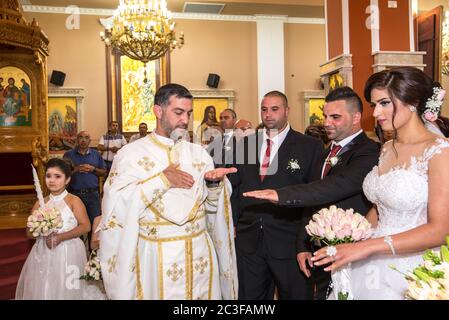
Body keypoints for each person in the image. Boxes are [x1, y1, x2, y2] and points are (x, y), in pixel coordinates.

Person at [312, 67, 449, 299]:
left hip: (411, 266)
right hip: (370, 258)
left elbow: (440, 230)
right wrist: (350, 236)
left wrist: (367, 247)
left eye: (384, 103)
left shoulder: (439, 152)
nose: (376, 113)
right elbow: (380, 206)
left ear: (413, 102)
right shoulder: (386, 148)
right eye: (374, 105)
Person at [99, 83, 238, 300]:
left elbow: (211, 208)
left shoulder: (199, 154)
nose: (185, 120)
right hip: (156, 256)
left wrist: (214, 186)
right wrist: (162, 180)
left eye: (189, 113)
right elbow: (115, 207)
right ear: (158, 111)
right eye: (178, 112)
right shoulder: (130, 155)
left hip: (200, 252)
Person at [243, 87, 380, 299]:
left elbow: (334, 187)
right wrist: (302, 245)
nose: (326, 122)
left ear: (356, 117)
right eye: (325, 116)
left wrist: (281, 195)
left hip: (352, 248)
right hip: (320, 249)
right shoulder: (328, 151)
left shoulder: (369, 151)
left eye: (335, 117)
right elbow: (311, 205)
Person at [229, 90, 323, 300]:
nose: (268, 115)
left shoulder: (309, 146)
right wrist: (233, 224)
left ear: (287, 111)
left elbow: (315, 195)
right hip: (249, 241)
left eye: (274, 109)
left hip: (289, 242)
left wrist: (305, 242)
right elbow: (235, 189)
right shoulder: (245, 144)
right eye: (264, 109)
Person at [15, 158, 91, 299]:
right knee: (45, 286)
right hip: (43, 252)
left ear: (67, 179)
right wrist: (40, 229)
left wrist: (60, 237)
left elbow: (86, 226)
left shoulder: (74, 201)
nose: (52, 180)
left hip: (68, 252)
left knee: (68, 287)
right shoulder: (40, 203)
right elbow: (29, 232)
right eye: (48, 176)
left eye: (58, 176)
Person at [64, 131, 106, 227]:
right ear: (77, 140)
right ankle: (79, 242)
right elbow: (63, 174)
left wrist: (93, 169)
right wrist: (76, 169)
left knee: (94, 223)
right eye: (81, 137)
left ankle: (92, 242)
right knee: (75, 224)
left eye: (86, 138)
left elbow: (104, 172)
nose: (83, 140)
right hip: (74, 195)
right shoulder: (69, 155)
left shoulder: (96, 154)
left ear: (90, 141)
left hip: (93, 195)